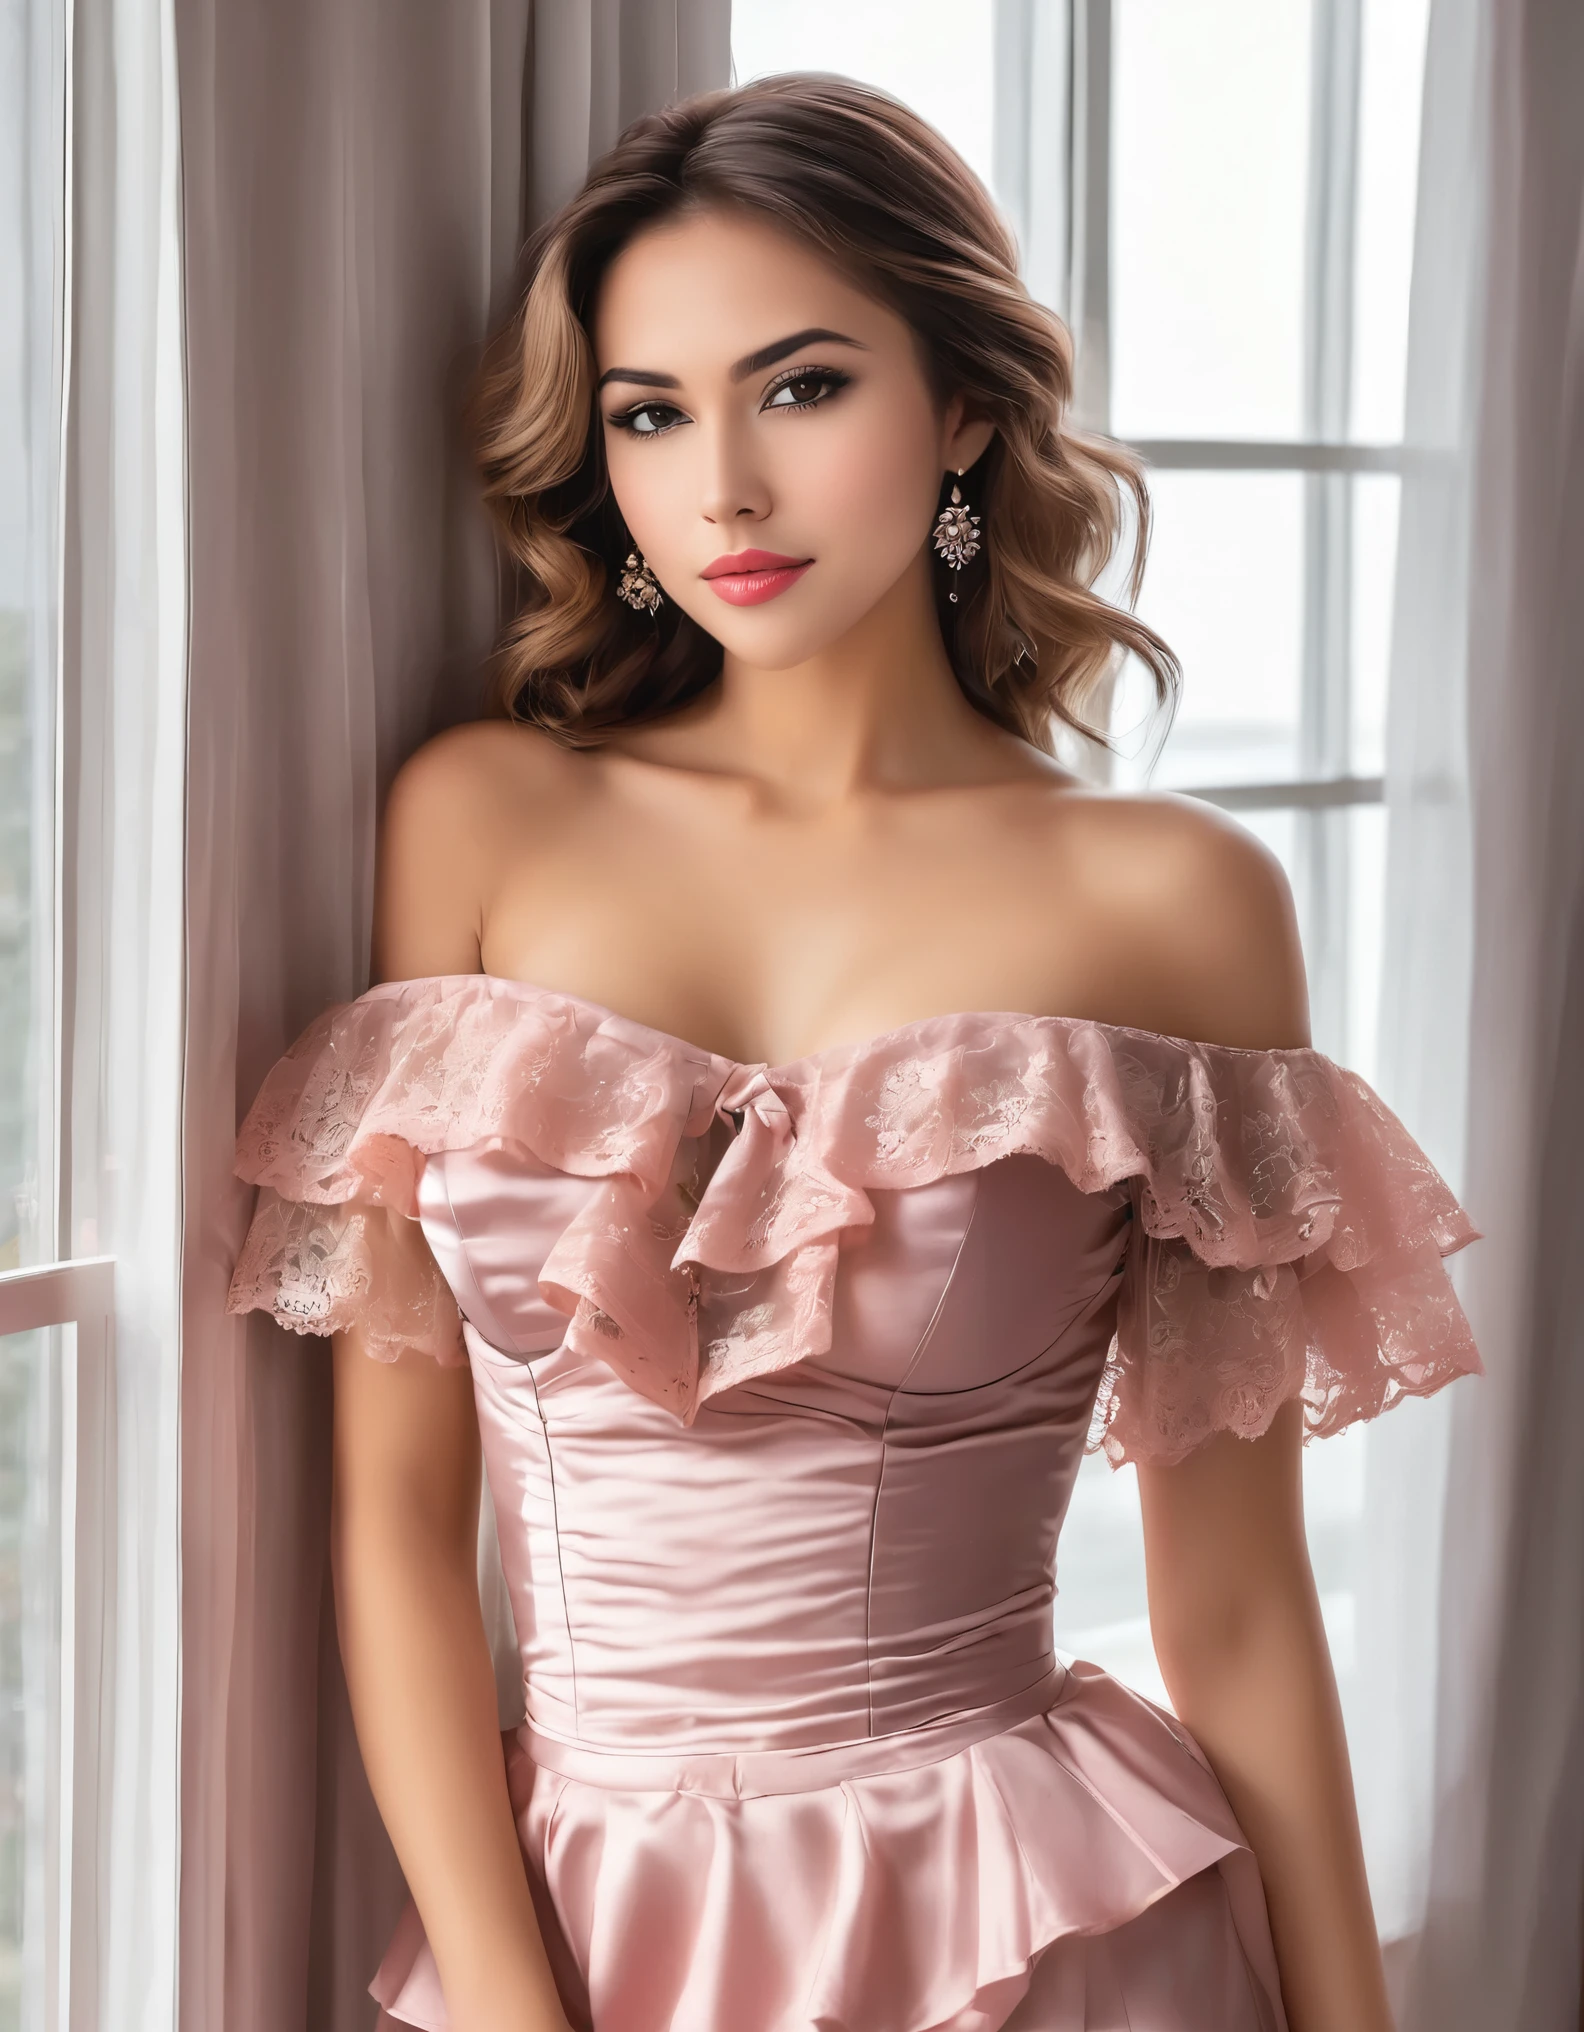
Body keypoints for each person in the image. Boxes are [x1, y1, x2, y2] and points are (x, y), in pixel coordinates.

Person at [226, 73, 1483, 2032]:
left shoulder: (1173, 902)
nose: (721, 485)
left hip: (1034, 1940)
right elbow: (393, 1519)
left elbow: (1232, 1601)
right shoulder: (479, 823)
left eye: (800, 388)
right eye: (651, 412)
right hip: (571, 1936)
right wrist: (507, 1998)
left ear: (966, 405)